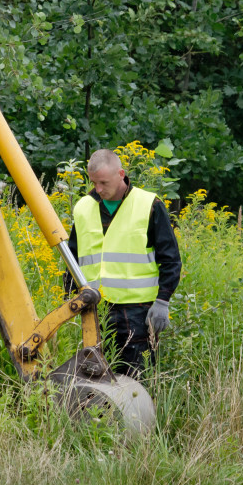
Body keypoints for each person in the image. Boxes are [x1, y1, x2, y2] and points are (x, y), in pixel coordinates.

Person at [66, 148, 181, 377]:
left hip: (138, 312)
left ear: (121, 174)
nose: (98, 189)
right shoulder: (83, 208)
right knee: (97, 379)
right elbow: (73, 258)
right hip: (95, 310)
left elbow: (170, 259)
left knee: (138, 379)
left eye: (103, 183)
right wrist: (69, 301)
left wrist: (162, 302)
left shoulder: (149, 205)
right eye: (94, 183)